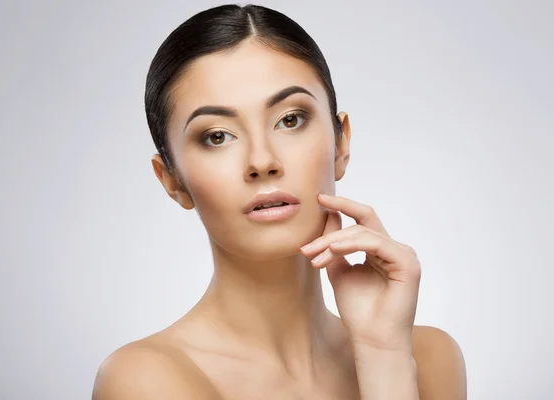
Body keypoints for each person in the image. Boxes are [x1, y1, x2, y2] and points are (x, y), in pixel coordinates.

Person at [92, 4, 466, 399]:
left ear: (342, 143)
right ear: (172, 181)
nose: (262, 162)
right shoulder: (144, 381)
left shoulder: (428, 358)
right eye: (217, 136)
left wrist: (383, 355)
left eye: (290, 119)